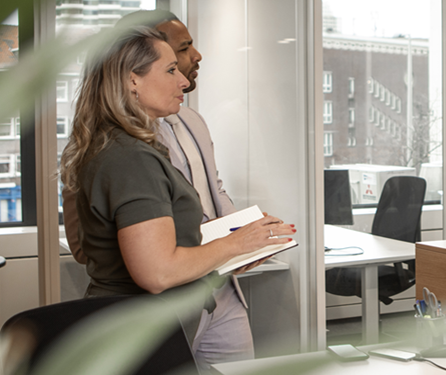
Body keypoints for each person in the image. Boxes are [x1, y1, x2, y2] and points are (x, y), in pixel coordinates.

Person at [60, 25, 293, 364]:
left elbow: (165, 243)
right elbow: (157, 273)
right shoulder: (130, 157)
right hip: (142, 327)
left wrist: (229, 254)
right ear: (131, 80)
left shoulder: (119, 145)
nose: (183, 80)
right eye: (170, 70)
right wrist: (237, 243)